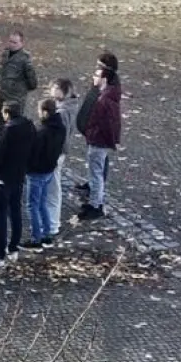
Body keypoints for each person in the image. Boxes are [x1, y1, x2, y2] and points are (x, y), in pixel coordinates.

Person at [0, 101, 35, 268]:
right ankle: (13, 248)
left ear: (7, 113)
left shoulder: (9, 129)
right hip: (18, 176)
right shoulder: (29, 127)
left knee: (0, 216)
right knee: (16, 212)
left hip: (3, 177)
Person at [76, 51, 119, 207]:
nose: (94, 74)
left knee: (98, 169)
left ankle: (96, 203)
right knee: (96, 168)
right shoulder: (102, 89)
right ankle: (94, 192)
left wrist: (93, 132)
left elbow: (108, 123)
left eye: (98, 69)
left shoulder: (106, 97)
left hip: (97, 137)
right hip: (93, 134)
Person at [24, 97, 66, 249]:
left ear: (45, 112)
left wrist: (27, 167)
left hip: (37, 172)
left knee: (32, 205)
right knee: (42, 203)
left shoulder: (41, 131)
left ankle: (36, 238)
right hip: (49, 169)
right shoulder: (60, 128)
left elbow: (33, 153)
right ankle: (47, 235)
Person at [45, 78, 79, 234]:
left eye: (55, 88)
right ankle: (51, 222)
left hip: (55, 153)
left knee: (53, 188)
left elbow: (61, 136)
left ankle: (52, 224)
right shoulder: (68, 107)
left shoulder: (63, 112)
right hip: (58, 152)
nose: (51, 91)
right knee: (52, 187)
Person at [0, 30, 39, 127]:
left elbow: (32, 82)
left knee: (14, 126)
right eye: (10, 41)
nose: (12, 45)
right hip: (3, 96)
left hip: (15, 100)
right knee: (1, 124)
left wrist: (20, 90)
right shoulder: (5, 54)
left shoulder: (25, 59)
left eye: (15, 42)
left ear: (21, 43)